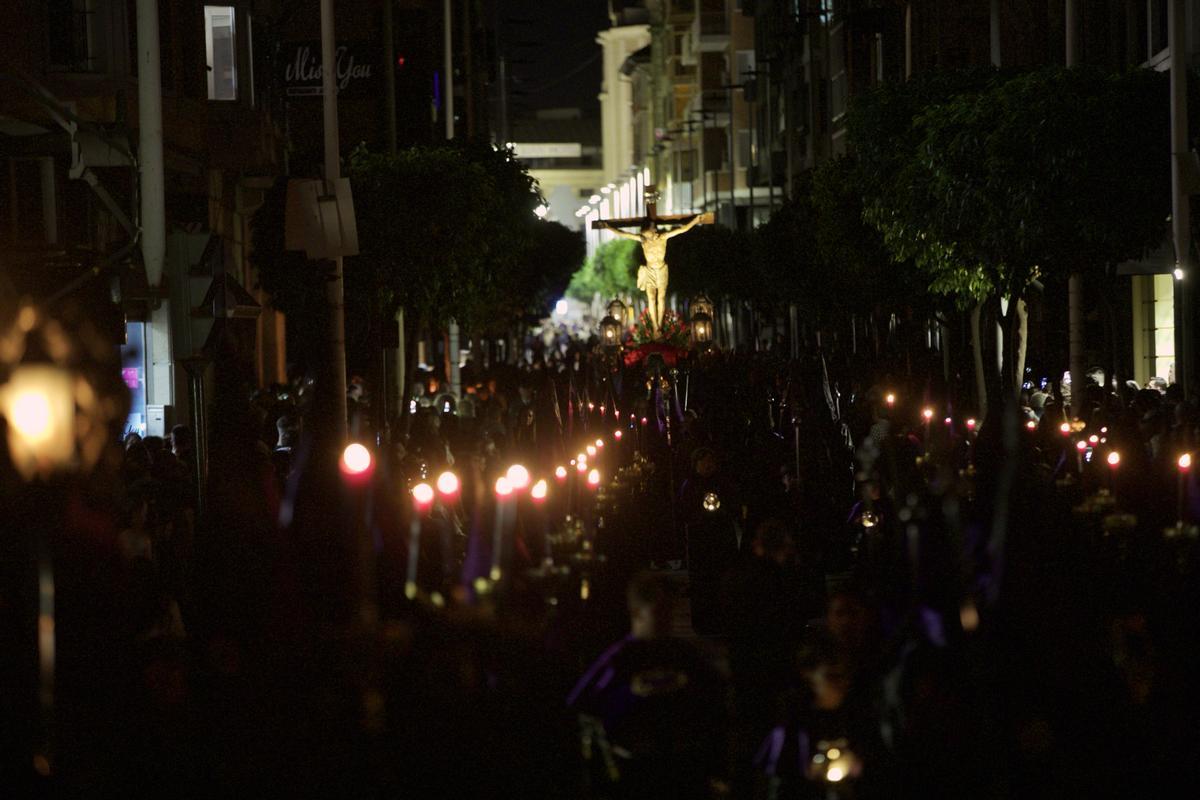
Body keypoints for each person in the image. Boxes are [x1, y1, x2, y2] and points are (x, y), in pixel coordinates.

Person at [568, 572, 727, 798]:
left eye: (669, 612)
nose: (667, 620)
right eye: (659, 612)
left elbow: (715, 696)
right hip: (635, 774)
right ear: (636, 613)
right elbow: (583, 707)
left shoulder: (683, 655)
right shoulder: (619, 659)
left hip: (684, 773)